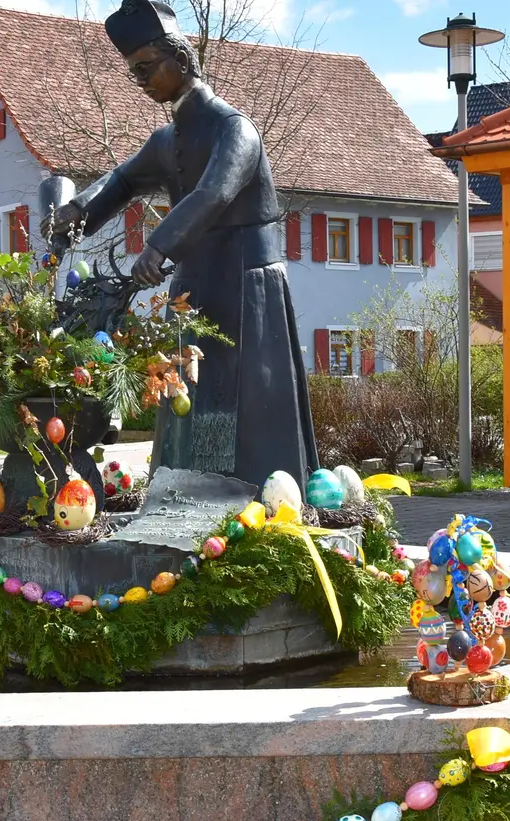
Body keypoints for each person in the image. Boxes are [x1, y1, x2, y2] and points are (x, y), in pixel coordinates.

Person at [47, 0, 318, 489]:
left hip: (245, 284)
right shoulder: (165, 139)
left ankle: (263, 496)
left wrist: (158, 245)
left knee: (249, 403)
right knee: (189, 399)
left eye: (148, 68)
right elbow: (122, 181)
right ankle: (185, 492)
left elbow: (213, 193)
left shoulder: (235, 128)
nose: (143, 80)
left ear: (182, 58)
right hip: (196, 286)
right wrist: (79, 212)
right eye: (135, 74)